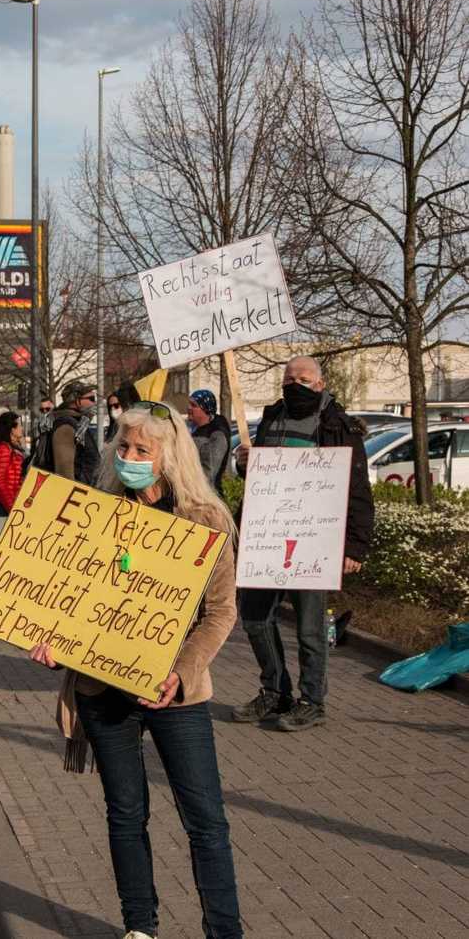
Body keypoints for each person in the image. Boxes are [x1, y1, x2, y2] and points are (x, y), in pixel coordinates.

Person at [31, 401, 244, 939]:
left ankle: (225, 931)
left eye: (140, 450)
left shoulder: (205, 519)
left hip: (176, 693)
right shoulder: (96, 514)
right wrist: (51, 636)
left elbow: (220, 613)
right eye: (122, 447)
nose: (128, 457)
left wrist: (182, 672)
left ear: (169, 456)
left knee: (206, 822)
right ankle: (139, 927)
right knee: (126, 815)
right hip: (103, 688)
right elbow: (68, 596)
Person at [231, 355, 374, 731]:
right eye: (289, 378)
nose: (295, 384)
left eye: (304, 379)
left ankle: (312, 701)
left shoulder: (337, 426)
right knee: (255, 619)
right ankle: (276, 692)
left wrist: (354, 547)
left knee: (310, 629)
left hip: (313, 541)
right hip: (267, 538)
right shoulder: (272, 417)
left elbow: (358, 490)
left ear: (320, 384)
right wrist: (246, 463)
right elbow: (259, 479)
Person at [30, 380, 100, 484]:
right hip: (76, 495)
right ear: (77, 400)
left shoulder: (78, 423)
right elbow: (64, 476)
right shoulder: (66, 426)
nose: (94, 403)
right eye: (91, 399)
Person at [187, 389, 232, 494]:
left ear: (206, 410)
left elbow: (208, 471)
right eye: (189, 404)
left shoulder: (217, 435)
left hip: (206, 498)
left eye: (193, 405)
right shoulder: (191, 430)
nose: (188, 408)